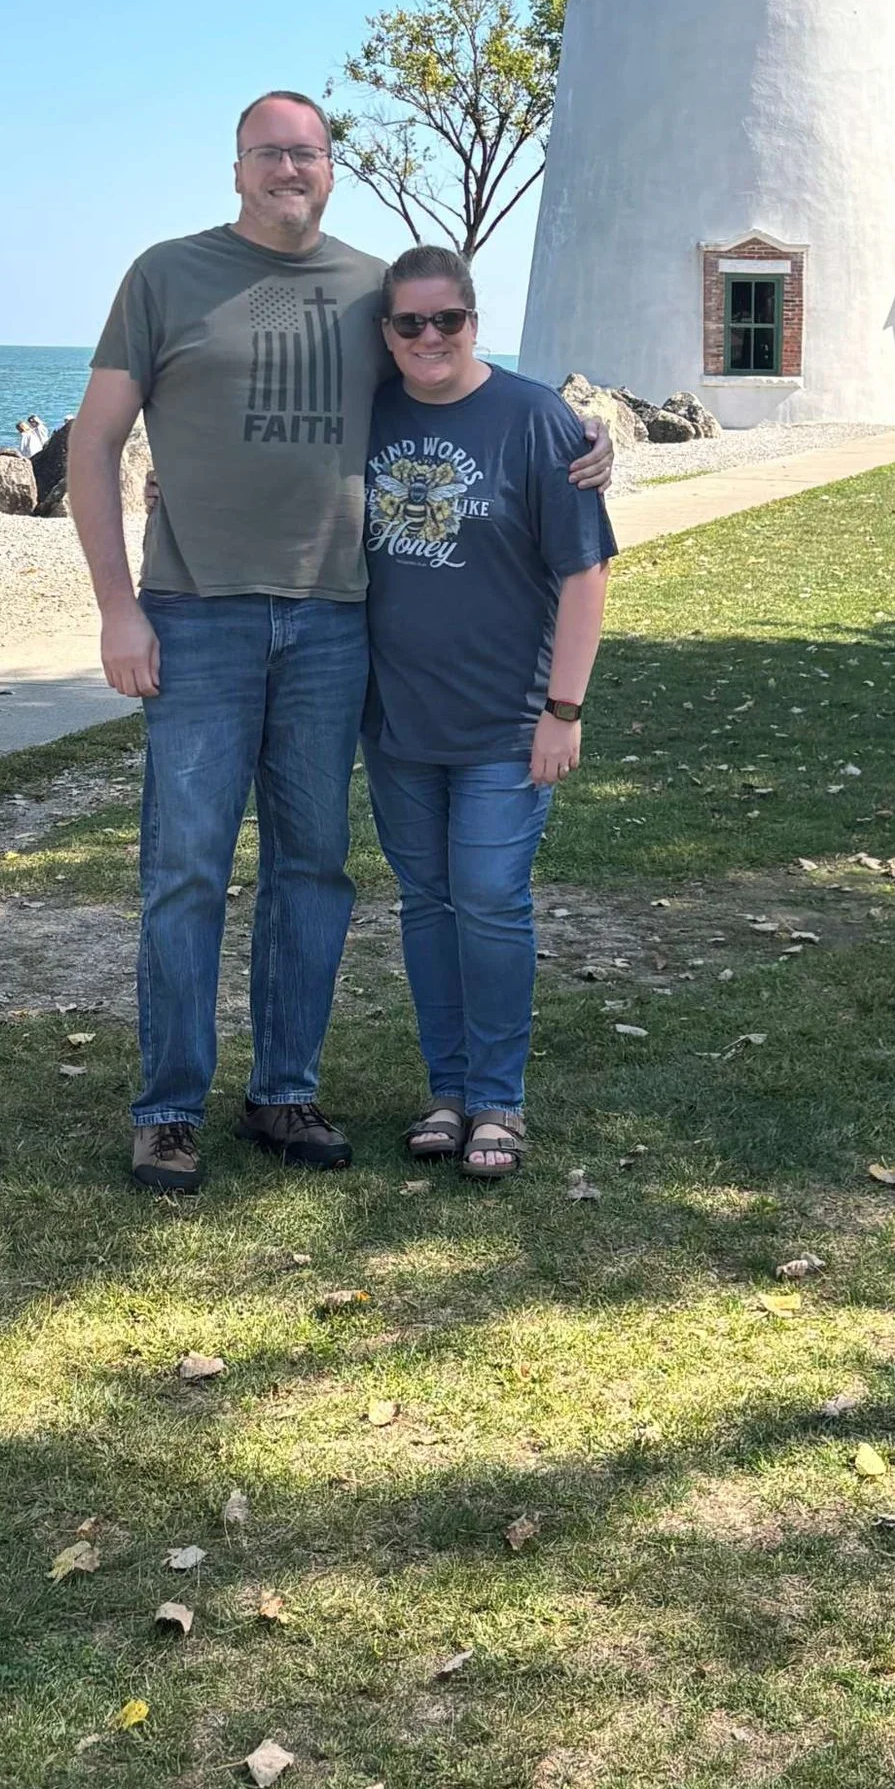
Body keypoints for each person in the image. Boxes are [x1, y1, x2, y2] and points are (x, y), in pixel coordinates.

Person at [66, 94, 613, 1198]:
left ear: (329, 168)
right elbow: (94, 443)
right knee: (184, 869)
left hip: (331, 620)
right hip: (196, 613)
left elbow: (456, 385)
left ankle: (284, 1088)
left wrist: (584, 439)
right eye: (268, 151)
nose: (288, 167)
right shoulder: (164, 275)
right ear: (235, 167)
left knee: (313, 868)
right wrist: (117, 605)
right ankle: (169, 1105)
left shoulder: (374, 289)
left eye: (306, 151)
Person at [361, 246, 614, 1181]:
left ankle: (499, 1098)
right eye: (409, 323)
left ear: (475, 321)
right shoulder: (368, 413)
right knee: (428, 905)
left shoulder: (537, 419)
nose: (429, 338)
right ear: (385, 332)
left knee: (491, 901)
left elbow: (585, 573)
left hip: (509, 719)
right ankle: (449, 1087)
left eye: (447, 321)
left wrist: (565, 709)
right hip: (395, 719)